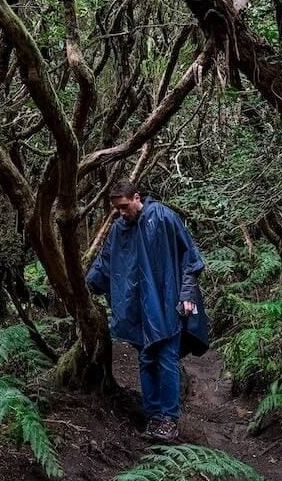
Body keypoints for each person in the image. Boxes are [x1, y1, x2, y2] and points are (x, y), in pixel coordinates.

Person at [86, 180, 210, 442]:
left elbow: (190, 258)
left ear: (136, 197)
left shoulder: (163, 217)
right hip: (137, 308)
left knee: (166, 358)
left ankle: (169, 419)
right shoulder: (120, 229)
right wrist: (85, 284)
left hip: (166, 303)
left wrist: (187, 294)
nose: (121, 213)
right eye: (116, 209)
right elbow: (106, 261)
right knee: (145, 359)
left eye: (123, 206)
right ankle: (153, 415)